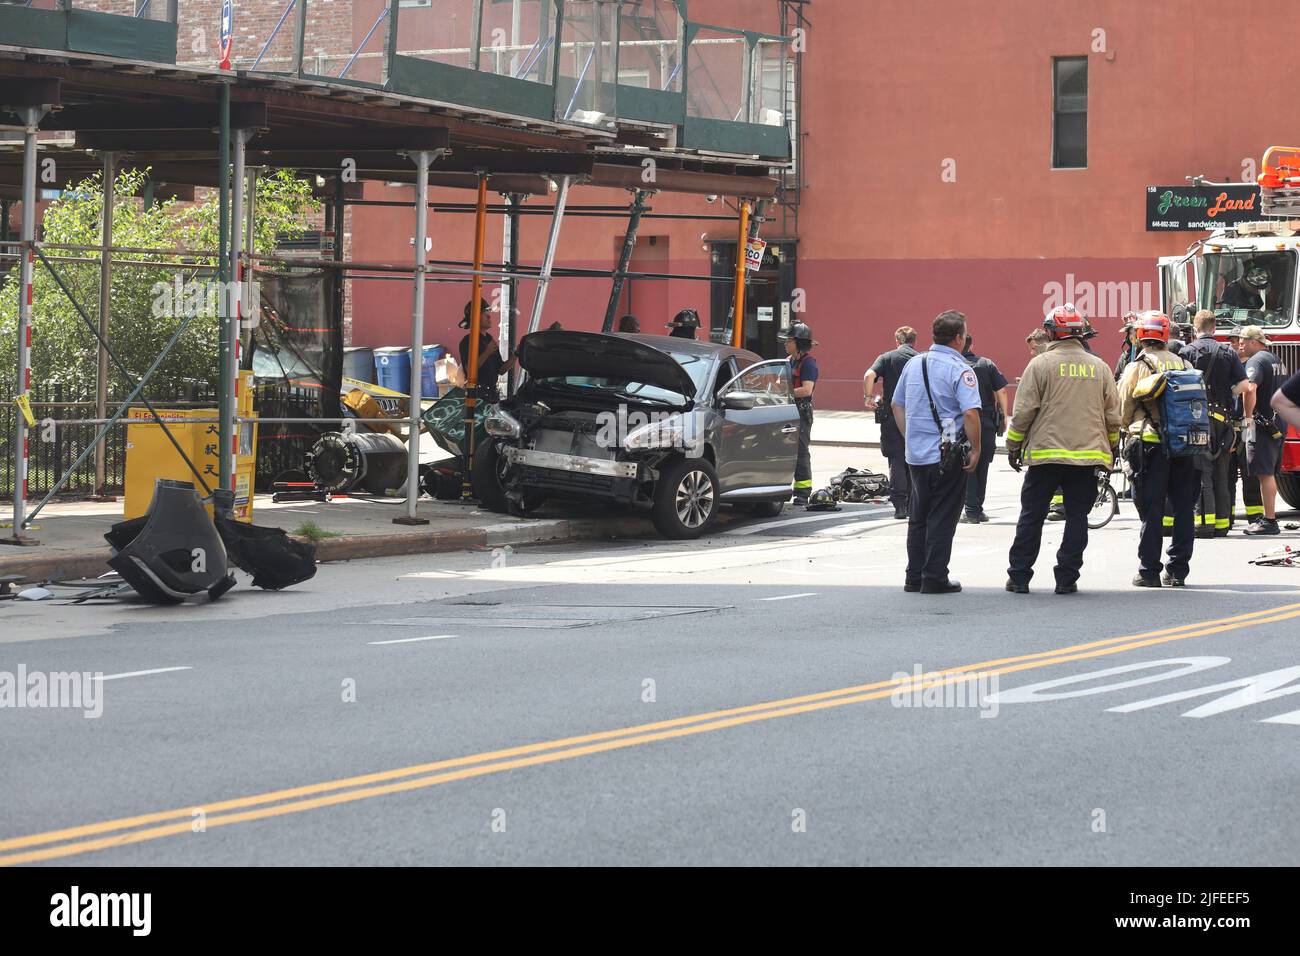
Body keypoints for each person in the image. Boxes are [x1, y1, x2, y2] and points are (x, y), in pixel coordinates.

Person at [1004, 303, 1120, 594]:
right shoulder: (1101, 367)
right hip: (1087, 458)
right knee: (1077, 517)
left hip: (1046, 456)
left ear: (1051, 332)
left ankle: (1019, 577)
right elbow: (1113, 417)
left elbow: (1023, 413)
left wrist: (1013, 445)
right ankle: (1067, 579)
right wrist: (1113, 448)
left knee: (1032, 516)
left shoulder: (1040, 365)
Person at [891, 310, 981, 595]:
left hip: (916, 455)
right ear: (958, 338)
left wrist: (911, 437)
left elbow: (896, 404)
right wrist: (976, 449)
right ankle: (934, 576)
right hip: (947, 456)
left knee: (918, 516)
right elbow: (970, 413)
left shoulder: (914, 364)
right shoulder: (961, 370)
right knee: (942, 516)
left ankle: (913, 576)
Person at [1117, 311, 1198, 587]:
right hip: (1183, 445)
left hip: (1150, 445)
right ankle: (1178, 570)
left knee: (1152, 509)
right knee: (1184, 507)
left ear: (1140, 336)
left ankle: (1149, 570)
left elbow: (1123, 409)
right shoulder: (1185, 363)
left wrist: (1126, 428)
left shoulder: (1139, 366)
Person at [1181, 310, 1252, 538]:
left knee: (1202, 472)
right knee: (1222, 473)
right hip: (1224, 422)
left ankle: (1205, 525)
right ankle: (1222, 525)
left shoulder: (1186, 352)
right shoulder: (1228, 352)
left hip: (1196, 420)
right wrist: (1229, 392)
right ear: (1214, 329)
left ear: (1195, 328)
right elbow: (1244, 385)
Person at [1238, 325, 1290, 535]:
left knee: (1264, 473)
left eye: (1243, 340)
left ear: (1254, 342)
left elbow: (1250, 389)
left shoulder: (1256, 360)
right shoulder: (1276, 360)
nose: (1240, 344)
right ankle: (1269, 517)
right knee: (1270, 473)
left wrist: (1247, 418)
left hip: (1263, 425)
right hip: (1278, 423)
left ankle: (1269, 521)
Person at [864, 326, 919, 519]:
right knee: (914, 458)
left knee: (896, 458)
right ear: (914, 341)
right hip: (916, 414)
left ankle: (899, 506)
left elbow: (869, 375)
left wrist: (868, 397)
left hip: (891, 414)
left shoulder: (887, 357)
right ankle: (914, 502)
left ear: (897, 341)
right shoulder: (920, 359)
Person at [960, 331, 1009, 524]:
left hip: (962, 422)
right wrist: (1004, 417)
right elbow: (1002, 390)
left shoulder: (953, 365)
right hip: (987, 422)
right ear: (971, 346)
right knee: (982, 465)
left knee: (967, 465)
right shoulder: (986, 364)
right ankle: (977, 508)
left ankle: (971, 510)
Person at [781, 322, 819, 506]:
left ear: (798, 343)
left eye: (789, 340)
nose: (785, 343)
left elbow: (806, 390)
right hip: (787, 409)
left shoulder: (809, 363)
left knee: (800, 452)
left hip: (801, 412)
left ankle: (803, 492)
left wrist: (783, 392)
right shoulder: (789, 360)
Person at [457, 298, 517, 399]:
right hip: (476, 396)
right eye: (484, 314)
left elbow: (501, 369)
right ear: (475, 317)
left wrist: (516, 354)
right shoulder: (468, 341)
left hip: (492, 394)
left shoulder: (489, 339)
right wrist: (487, 352)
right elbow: (470, 369)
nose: (489, 316)